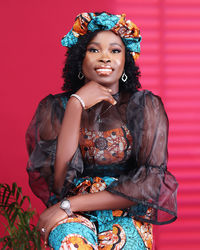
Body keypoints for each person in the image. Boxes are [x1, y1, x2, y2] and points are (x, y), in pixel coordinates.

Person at [26, 12, 178, 250]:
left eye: (115, 51)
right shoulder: (54, 108)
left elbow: (150, 181)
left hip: (126, 212)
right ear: (79, 59)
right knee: (70, 241)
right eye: (94, 50)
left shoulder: (145, 106)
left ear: (126, 60)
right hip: (73, 217)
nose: (105, 57)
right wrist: (76, 104)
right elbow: (58, 183)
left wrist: (68, 206)